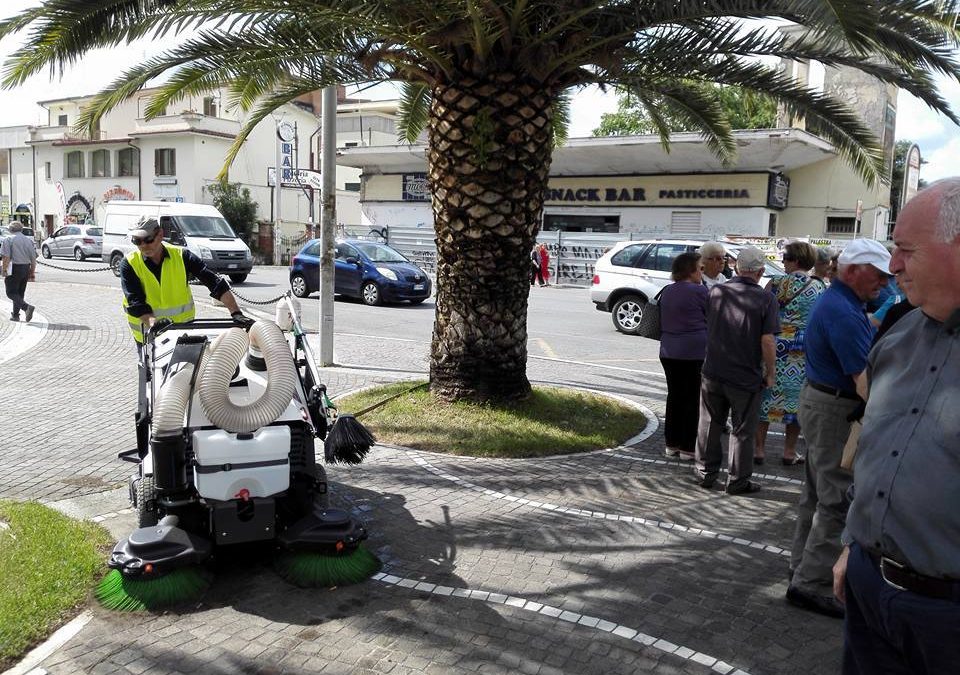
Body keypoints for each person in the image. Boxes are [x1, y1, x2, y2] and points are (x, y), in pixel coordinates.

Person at [832, 179, 960, 674]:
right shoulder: (900, 334)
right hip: (868, 587)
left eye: (906, 250)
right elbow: (875, 449)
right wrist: (852, 543)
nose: (894, 265)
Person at [786, 238, 891, 619]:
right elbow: (862, 379)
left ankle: (801, 567)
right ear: (852, 271)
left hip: (820, 400)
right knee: (835, 499)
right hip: (833, 407)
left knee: (816, 493)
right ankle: (811, 582)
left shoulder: (841, 302)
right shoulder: (843, 310)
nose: (883, 283)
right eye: (877, 275)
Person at [693, 247, 779, 495]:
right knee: (742, 430)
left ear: (737, 267)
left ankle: (705, 472)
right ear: (761, 271)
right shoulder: (766, 299)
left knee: (710, 422)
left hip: (714, 369)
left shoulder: (717, 291)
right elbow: (767, 341)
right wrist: (770, 372)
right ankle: (737, 480)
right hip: (745, 374)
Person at [119, 216, 247, 345]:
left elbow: (215, 284)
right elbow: (135, 302)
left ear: (160, 235)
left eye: (148, 239)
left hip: (182, 331)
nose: (143, 246)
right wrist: (154, 324)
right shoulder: (129, 263)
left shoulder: (182, 256)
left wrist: (236, 313)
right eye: (137, 241)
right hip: (149, 334)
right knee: (150, 365)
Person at [755, 241, 826, 465]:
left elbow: (760, 313)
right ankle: (788, 451)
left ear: (796, 260)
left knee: (766, 396)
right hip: (802, 349)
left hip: (774, 347)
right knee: (796, 399)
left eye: (785, 258)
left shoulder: (775, 283)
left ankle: (758, 449)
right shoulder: (819, 287)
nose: (783, 262)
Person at [658, 252, 708, 462]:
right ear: (692, 270)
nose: (702, 273)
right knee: (692, 399)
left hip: (669, 350)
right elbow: (712, 316)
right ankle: (688, 447)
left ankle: (671, 443)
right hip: (693, 351)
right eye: (700, 268)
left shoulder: (667, 290)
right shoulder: (700, 292)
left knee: (675, 396)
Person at [0, 220, 38, 322]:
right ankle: (15, 315)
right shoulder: (28, 241)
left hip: (14, 268)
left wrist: (4, 270)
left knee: (11, 292)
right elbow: (33, 259)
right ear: (21, 229)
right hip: (26, 268)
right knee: (19, 293)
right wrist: (32, 272)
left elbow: (6, 257)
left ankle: (26, 307)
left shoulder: (8, 240)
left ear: (10, 229)